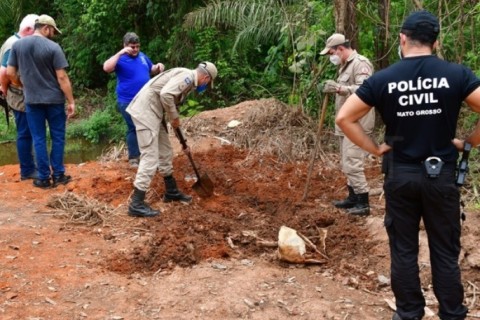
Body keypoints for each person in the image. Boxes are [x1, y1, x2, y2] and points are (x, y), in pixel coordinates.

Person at [336, 10, 480, 320]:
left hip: (400, 174)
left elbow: (344, 118)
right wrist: (469, 142)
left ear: (402, 38)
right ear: (436, 42)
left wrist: (375, 149)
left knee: (403, 249)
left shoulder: (384, 79)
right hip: (441, 175)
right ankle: (453, 313)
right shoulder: (456, 75)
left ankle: (409, 313)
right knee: (444, 250)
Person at [125, 62, 217, 217]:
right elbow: (166, 95)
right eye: (208, 83)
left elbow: (173, 112)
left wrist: (184, 143)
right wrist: (174, 117)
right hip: (146, 113)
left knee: (166, 151)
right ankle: (136, 203)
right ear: (206, 78)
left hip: (155, 114)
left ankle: (171, 191)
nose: (206, 86)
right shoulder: (187, 76)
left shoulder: (187, 82)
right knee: (150, 157)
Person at [7, 14, 75, 189]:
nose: (53, 34)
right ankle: (59, 175)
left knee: (38, 138)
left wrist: (22, 85)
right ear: (45, 28)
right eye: (52, 30)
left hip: (32, 100)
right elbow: (62, 77)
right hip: (54, 101)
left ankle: (43, 178)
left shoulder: (18, 45)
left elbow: (10, 73)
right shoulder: (53, 47)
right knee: (57, 136)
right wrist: (71, 101)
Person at [320, 33, 375, 216]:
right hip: (347, 123)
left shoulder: (361, 63)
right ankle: (353, 198)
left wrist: (339, 88)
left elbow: (366, 89)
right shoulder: (346, 65)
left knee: (352, 162)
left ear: (341, 49)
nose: (331, 57)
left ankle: (363, 202)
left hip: (357, 123)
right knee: (346, 162)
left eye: (331, 53)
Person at [103, 32, 165, 168]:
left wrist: (159, 66)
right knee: (133, 127)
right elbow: (106, 67)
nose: (135, 49)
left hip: (145, 99)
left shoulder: (142, 56)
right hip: (127, 100)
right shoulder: (120, 58)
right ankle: (134, 158)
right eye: (132, 47)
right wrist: (121, 52)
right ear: (125, 46)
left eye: (137, 46)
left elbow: (152, 69)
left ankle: (148, 155)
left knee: (148, 125)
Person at [0, 14, 38, 181]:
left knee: (28, 131)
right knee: (24, 132)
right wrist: (7, 88)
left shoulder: (16, 41)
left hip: (19, 93)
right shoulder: (14, 44)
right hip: (17, 95)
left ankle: (29, 166)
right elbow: (4, 72)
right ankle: (27, 170)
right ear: (28, 30)